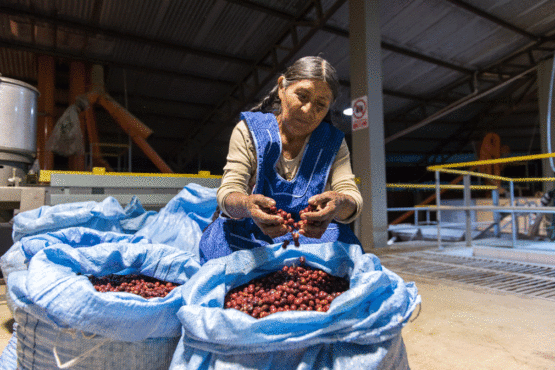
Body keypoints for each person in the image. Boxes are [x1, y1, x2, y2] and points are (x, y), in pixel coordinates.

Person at [199, 56, 363, 264]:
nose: (307, 110)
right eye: (302, 96)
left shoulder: (333, 143)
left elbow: (351, 196)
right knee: (220, 246)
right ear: (281, 88)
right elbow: (229, 191)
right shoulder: (249, 131)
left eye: (320, 105)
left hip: (307, 237)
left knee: (348, 252)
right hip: (251, 231)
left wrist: (338, 204)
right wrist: (248, 206)